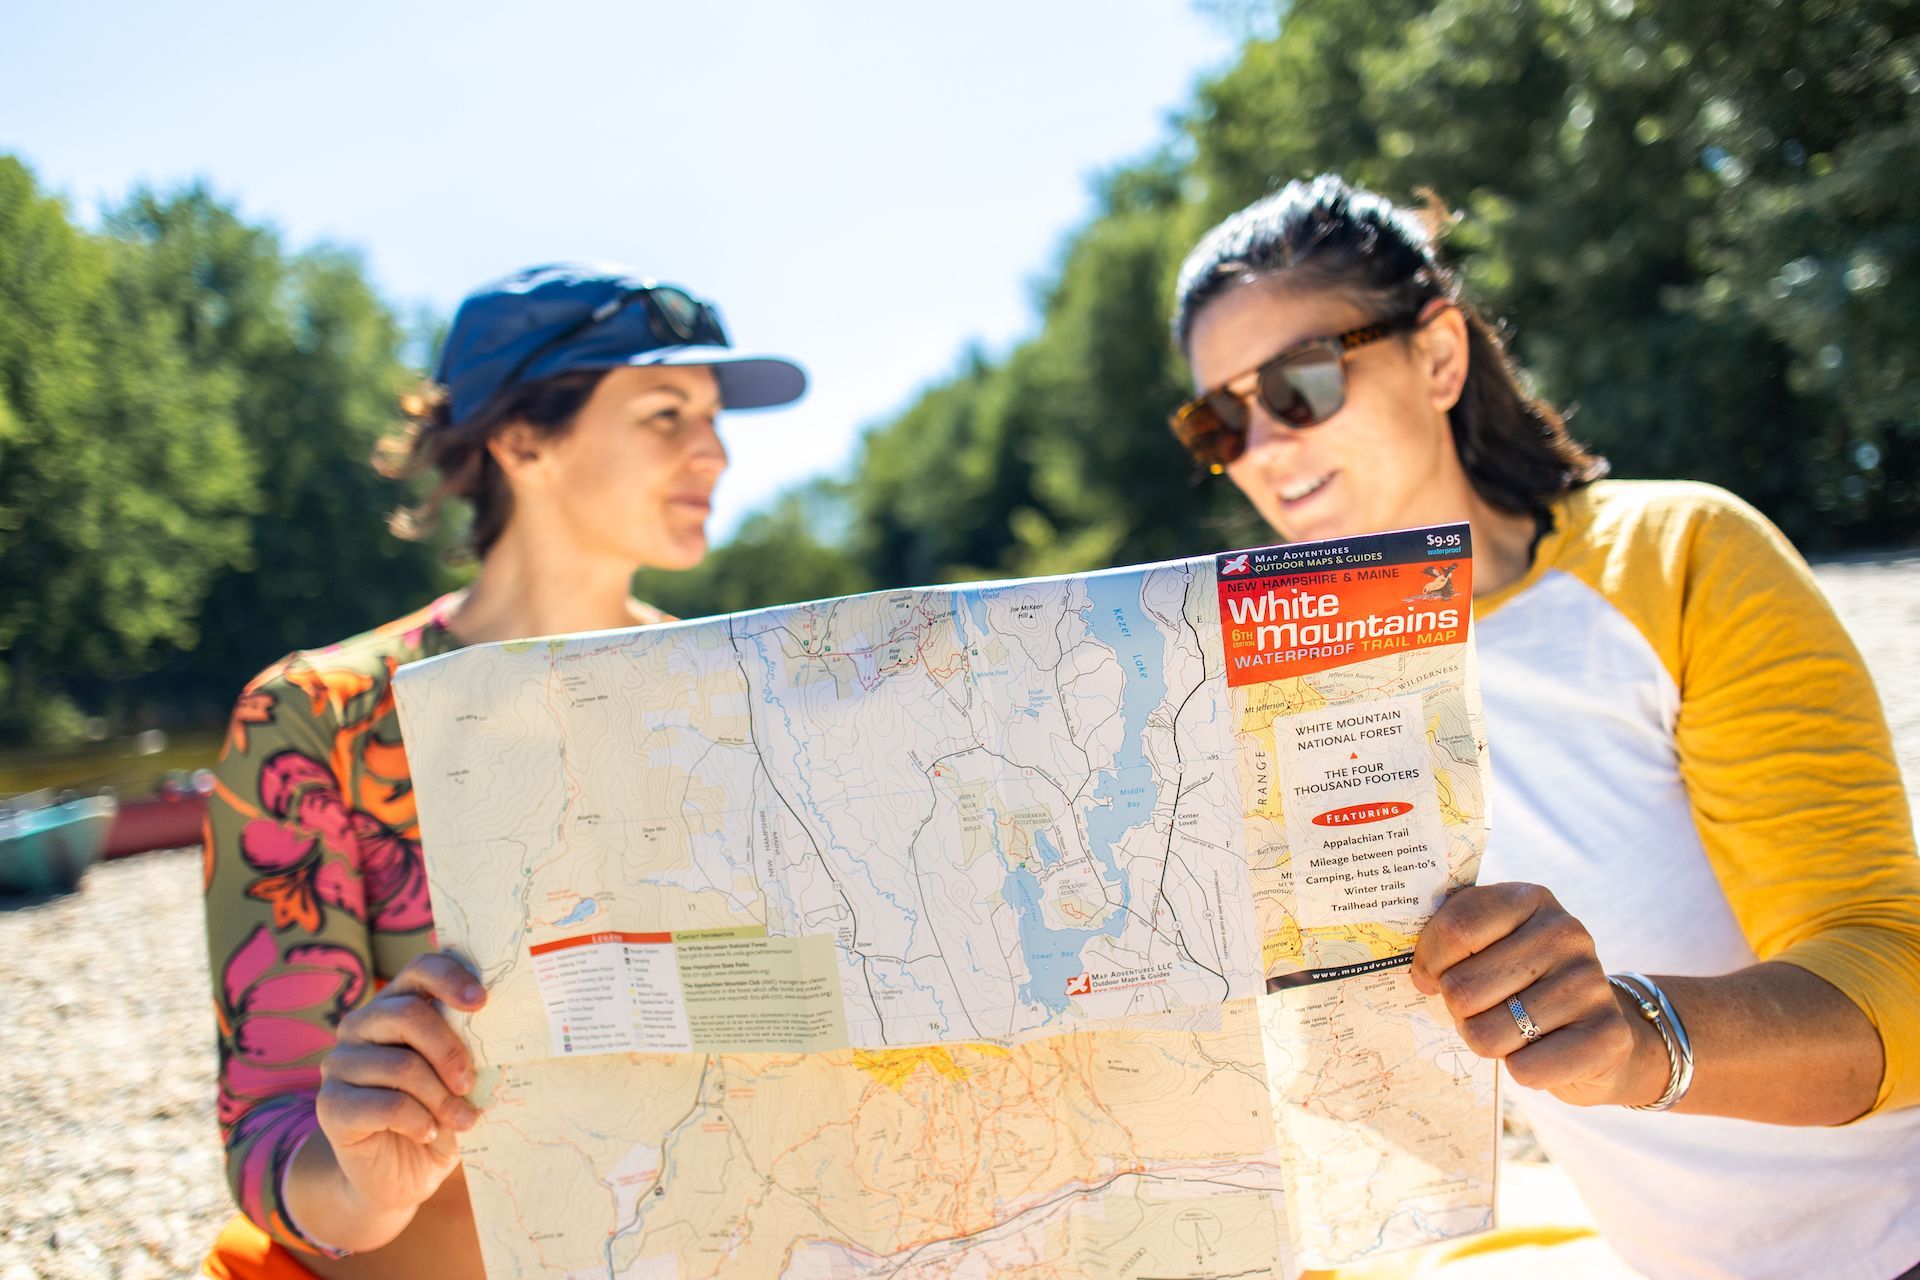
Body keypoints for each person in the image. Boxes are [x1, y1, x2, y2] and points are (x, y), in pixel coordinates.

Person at [1167, 175, 1920, 1280]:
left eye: (1300, 381)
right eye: (1217, 420)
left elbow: (1892, 964)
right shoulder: (1281, 707)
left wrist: (1638, 1033)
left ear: (1438, 357)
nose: (1265, 446)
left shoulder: (1677, 558)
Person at [201, 263, 806, 1279]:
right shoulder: (318, 717)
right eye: (666, 412)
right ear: (523, 438)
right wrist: (362, 1177)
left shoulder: (735, 698)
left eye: (711, 414)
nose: (716, 448)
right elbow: (266, 1127)